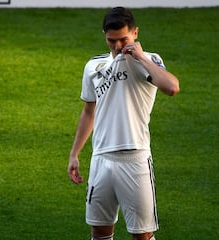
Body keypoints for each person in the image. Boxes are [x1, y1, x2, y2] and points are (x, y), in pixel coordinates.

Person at [67, 7, 180, 240]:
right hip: (101, 159)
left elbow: (172, 87)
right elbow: (89, 111)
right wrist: (74, 154)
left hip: (135, 160)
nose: (117, 47)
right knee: (99, 232)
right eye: (111, 41)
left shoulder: (149, 61)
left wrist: (139, 57)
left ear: (135, 33)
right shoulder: (93, 67)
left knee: (142, 235)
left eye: (123, 39)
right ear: (104, 36)